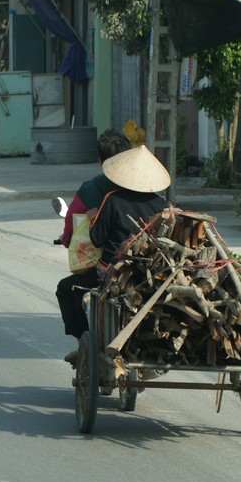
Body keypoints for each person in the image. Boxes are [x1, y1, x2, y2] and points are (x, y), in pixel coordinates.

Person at [56, 144, 171, 362]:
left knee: (65, 289)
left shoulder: (112, 199)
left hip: (112, 273)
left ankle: (83, 343)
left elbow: (98, 238)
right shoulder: (161, 205)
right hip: (152, 274)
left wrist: (93, 218)